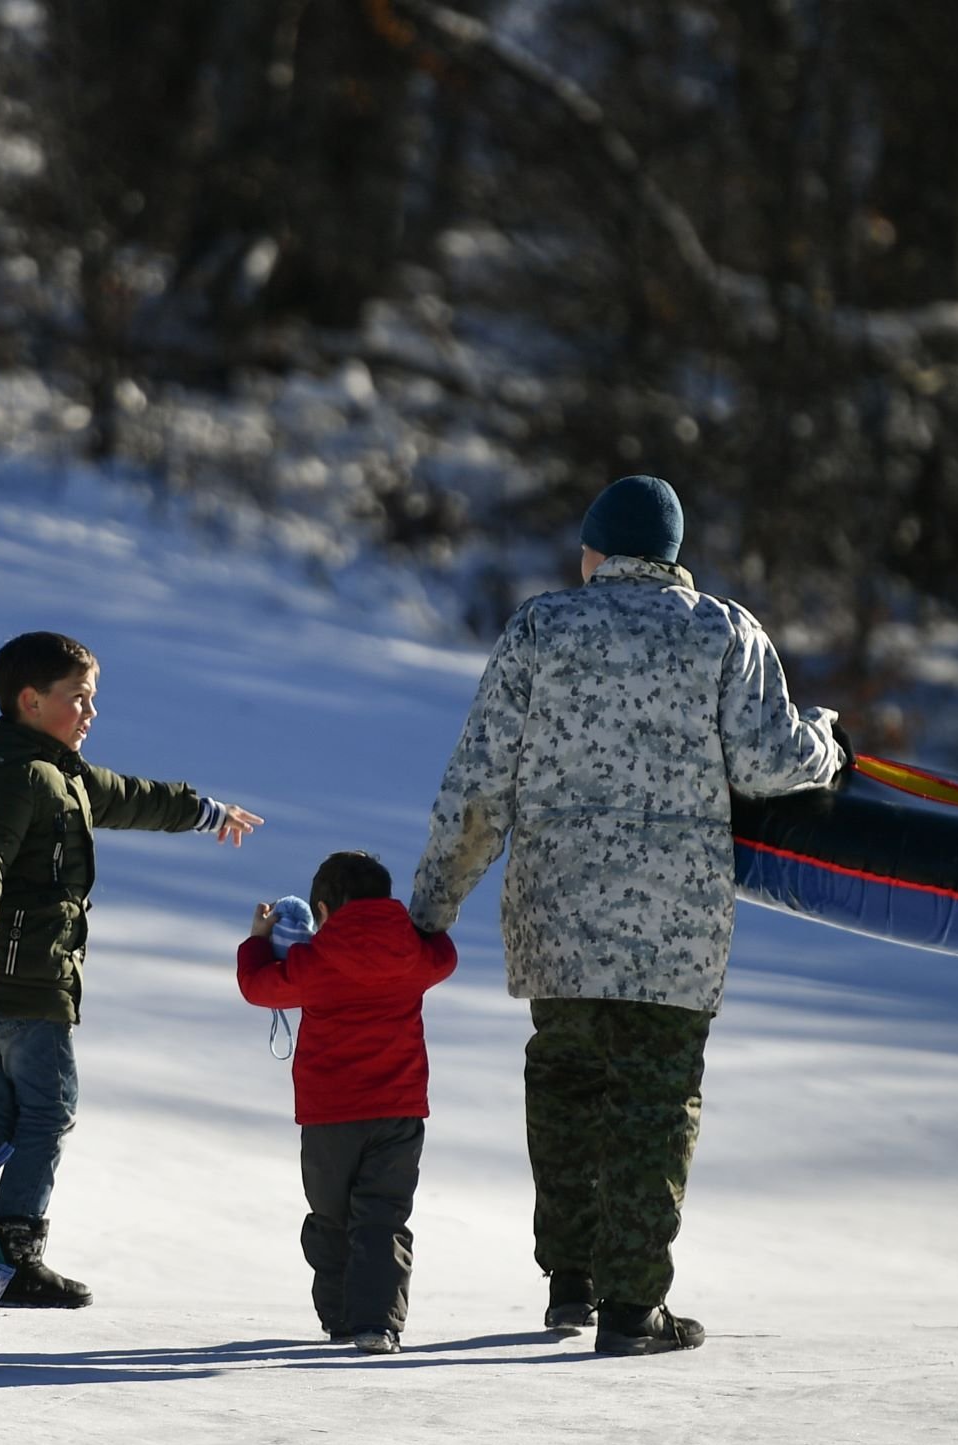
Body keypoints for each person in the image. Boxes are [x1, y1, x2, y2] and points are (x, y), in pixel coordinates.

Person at [408, 476, 847, 1356]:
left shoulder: (540, 629)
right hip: (674, 928)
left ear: (595, 553)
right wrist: (827, 741)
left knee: (565, 1083)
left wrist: (432, 905)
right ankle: (631, 1306)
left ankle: (569, 1282)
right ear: (672, 554)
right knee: (654, 1099)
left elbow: (478, 785)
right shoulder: (725, 630)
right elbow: (769, 763)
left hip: (556, 916)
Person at [0, 631, 262, 1308]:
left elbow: (130, 794)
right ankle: (16, 1253)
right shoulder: (22, 776)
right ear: (31, 701)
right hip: (18, 980)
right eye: (79, 698)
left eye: (92, 698)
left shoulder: (50, 770)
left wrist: (203, 810)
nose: (90, 711)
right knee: (47, 1110)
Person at [237, 851, 458, 1356]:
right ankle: (377, 1322)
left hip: (329, 1114)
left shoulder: (314, 960)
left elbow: (258, 987)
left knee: (331, 1216)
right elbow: (444, 957)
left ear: (322, 907)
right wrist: (426, 928)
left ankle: (339, 1315)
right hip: (399, 1109)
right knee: (382, 1217)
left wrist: (257, 941)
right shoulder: (411, 952)